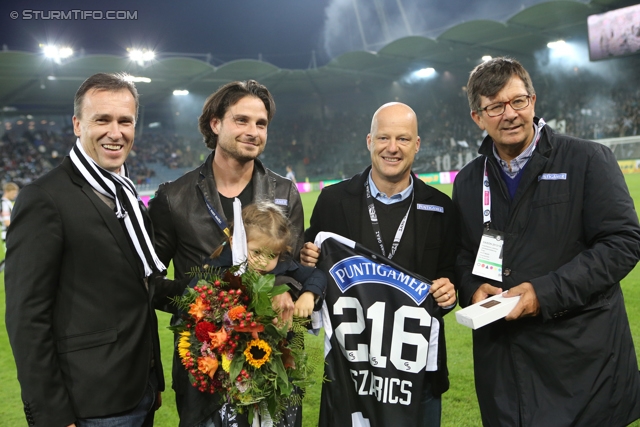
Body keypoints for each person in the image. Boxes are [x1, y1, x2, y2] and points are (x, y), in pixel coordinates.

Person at [452, 57, 640, 426]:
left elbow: (623, 242)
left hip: (581, 363)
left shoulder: (587, 159)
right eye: (495, 106)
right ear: (478, 117)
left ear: (533, 101)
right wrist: (472, 286)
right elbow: (462, 253)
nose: (509, 114)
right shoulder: (469, 180)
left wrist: (545, 292)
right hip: (504, 366)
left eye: (517, 101)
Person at [5, 73, 166, 427]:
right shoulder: (44, 198)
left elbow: (140, 285)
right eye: (102, 119)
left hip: (140, 388)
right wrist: (51, 414)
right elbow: (26, 317)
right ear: (78, 125)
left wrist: (221, 293)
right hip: (89, 403)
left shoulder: (125, 194)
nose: (116, 131)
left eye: (125, 121)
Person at [148, 80, 304, 427]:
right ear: (215, 124)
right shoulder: (174, 198)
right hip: (205, 361)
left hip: (274, 357)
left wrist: (286, 291)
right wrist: (200, 300)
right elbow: (148, 279)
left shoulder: (285, 193)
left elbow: (292, 268)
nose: (253, 131)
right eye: (242, 120)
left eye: (261, 124)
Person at [301, 102, 457, 426]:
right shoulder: (332, 201)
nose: (392, 148)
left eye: (403, 139)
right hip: (350, 373)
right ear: (369, 141)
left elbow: (451, 271)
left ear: (417, 145)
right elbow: (306, 265)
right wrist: (306, 258)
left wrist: (449, 289)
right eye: (384, 138)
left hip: (417, 373)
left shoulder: (440, 207)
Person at [0, 181, 19, 272]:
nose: (15, 195)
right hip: (7, 234)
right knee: (12, 259)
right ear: (7, 191)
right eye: (14, 192)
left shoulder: (6, 203)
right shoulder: (4, 204)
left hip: (8, 234)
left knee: (12, 258)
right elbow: (7, 222)